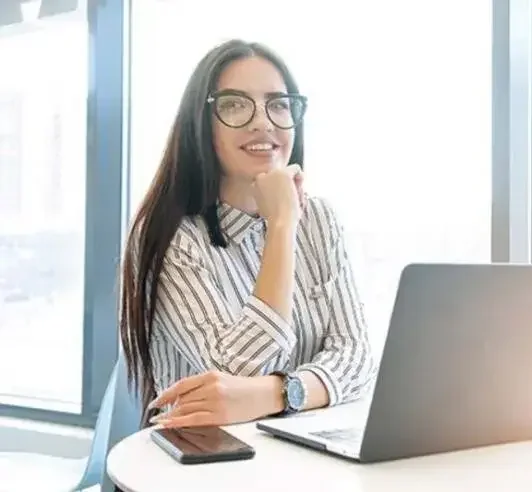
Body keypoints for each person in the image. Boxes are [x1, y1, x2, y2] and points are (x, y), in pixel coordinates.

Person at [119, 39, 376, 428]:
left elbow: (357, 356)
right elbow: (231, 370)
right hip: (199, 466)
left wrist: (281, 393)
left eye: (278, 104)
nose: (263, 121)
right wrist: (282, 227)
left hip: (300, 458)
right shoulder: (171, 237)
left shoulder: (320, 219)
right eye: (234, 104)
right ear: (200, 124)